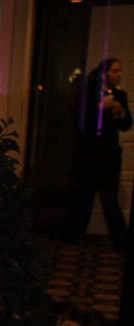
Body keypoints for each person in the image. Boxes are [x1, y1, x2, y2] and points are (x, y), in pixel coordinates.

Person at [66, 58, 132, 251]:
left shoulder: (121, 94)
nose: (119, 75)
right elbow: (80, 123)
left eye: (120, 71)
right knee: (83, 197)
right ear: (104, 73)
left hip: (110, 157)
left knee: (110, 200)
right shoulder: (89, 94)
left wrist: (120, 112)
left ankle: (122, 243)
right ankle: (73, 237)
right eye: (115, 71)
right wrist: (101, 107)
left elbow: (126, 125)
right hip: (88, 155)